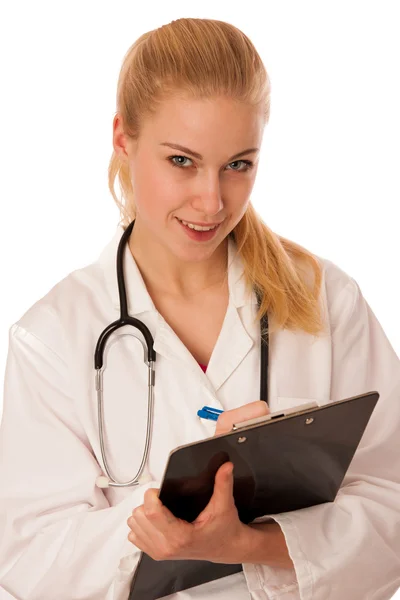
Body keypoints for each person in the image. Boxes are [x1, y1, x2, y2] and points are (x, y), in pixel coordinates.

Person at [0, 16, 399, 600]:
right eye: (182, 161)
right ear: (123, 139)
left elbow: (394, 502)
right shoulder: (56, 335)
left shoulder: (325, 301)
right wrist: (171, 516)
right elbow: (28, 559)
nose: (212, 201)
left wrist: (250, 545)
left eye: (238, 164)